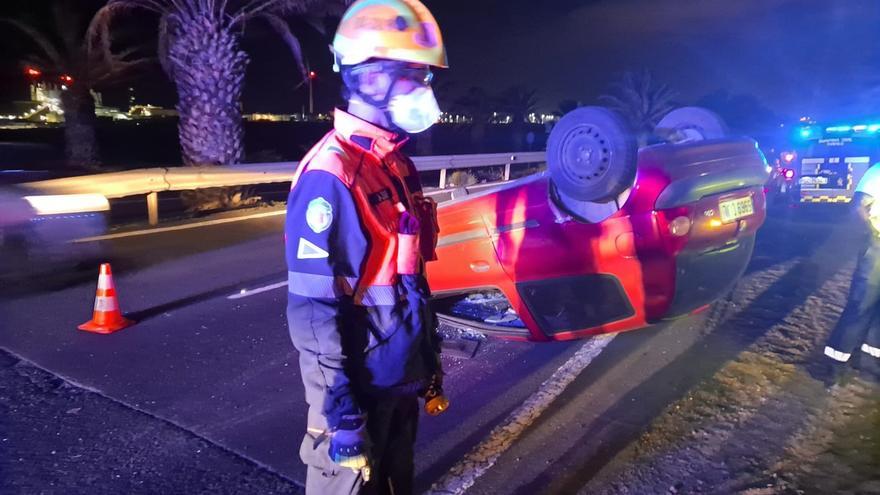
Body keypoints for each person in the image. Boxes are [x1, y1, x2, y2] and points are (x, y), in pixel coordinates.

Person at [284, 1, 447, 493]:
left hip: (396, 379)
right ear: (371, 78)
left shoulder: (392, 163)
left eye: (425, 76)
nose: (423, 89)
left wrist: (427, 364)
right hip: (357, 394)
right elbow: (313, 311)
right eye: (413, 75)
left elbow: (406, 280)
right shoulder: (331, 177)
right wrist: (342, 414)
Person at [818, 163, 880, 383]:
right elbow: (858, 207)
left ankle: (869, 362)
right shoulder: (877, 172)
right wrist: (874, 233)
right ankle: (835, 365)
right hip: (877, 247)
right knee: (860, 304)